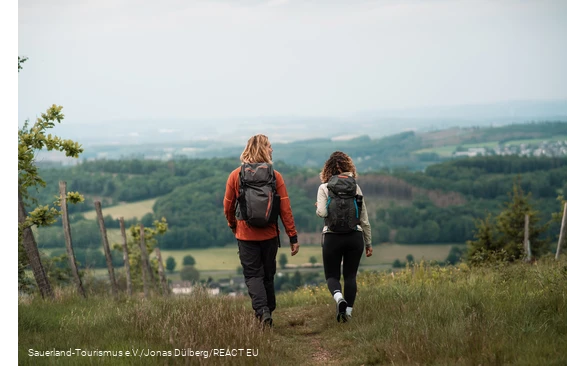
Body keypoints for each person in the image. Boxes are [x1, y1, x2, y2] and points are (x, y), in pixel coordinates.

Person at [223, 134, 300, 328]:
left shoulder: (236, 175)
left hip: (245, 235)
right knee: (267, 273)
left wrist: (233, 225)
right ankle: (268, 308)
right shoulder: (275, 176)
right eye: (270, 146)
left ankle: (263, 311)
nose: (272, 149)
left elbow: (228, 206)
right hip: (269, 235)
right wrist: (292, 236)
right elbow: (285, 209)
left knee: (252, 275)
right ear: (263, 149)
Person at [315, 151, 373, 322]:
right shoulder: (355, 187)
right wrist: (368, 242)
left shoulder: (324, 187)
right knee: (350, 276)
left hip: (332, 237)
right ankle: (347, 314)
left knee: (332, 276)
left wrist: (319, 207)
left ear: (328, 170)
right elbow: (364, 219)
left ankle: (339, 298)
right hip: (354, 237)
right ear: (349, 168)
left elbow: (322, 212)